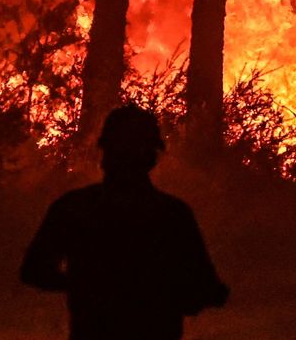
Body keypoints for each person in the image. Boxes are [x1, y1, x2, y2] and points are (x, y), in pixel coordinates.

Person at [21, 105, 229, 339]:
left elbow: (33, 271)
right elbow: (206, 288)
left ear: (105, 154)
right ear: (152, 157)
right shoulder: (172, 214)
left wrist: (84, 284)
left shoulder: (74, 208)